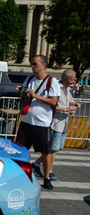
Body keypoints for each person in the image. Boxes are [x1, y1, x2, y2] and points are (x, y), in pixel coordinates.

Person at [15, 55, 60, 190]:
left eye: (35, 64)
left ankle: (47, 177)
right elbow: (24, 99)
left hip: (42, 123)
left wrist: (36, 96)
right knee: (19, 150)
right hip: (27, 120)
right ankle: (19, 175)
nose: (32, 66)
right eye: (31, 64)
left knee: (44, 152)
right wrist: (22, 93)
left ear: (43, 65)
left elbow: (53, 101)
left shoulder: (52, 82)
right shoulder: (29, 80)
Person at [31, 69, 79, 184]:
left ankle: (36, 164)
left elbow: (70, 101)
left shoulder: (68, 89)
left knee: (57, 148)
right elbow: (52, 104)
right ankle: (49, 171)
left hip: (64, 123)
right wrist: (66, 109)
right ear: (64, 79)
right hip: (55, 122)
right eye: (72, 79)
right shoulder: (57, 87)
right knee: (52, 148)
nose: (74, 81)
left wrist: (74, 104)